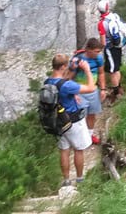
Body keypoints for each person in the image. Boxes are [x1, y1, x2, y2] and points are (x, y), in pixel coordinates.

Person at [46, 53, 95, 187]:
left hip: (58, 122)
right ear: (62, 67)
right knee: (78, 149)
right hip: (72, 121)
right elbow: (91, 88)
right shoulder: (67, 85)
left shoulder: (48, 82)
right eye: (66, 65)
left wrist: (73, 95)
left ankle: (66, 180)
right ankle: (80, 179)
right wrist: (87, 70)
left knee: (64, 150)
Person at [69, 38, 107, 145]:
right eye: (96, 51)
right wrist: (73, 92)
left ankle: (90, 135)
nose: (98, 54)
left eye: (99, 51)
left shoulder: (98, 59)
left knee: (92, 114)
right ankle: (79, 139)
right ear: (88, 49)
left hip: (93, 91)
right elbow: (70, 77)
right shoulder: (78, 59)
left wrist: (103, 89)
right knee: (80, 117)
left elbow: (101, 73)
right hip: (80, 91)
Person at [96, 0, 126, 100]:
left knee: (113, 71)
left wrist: (99, 50)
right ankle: (119, 88)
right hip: (118, 45)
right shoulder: (114, 16)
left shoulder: (101, 23)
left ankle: (116, 93)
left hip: (110, 48)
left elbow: (103, 42)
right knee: (116, 68)